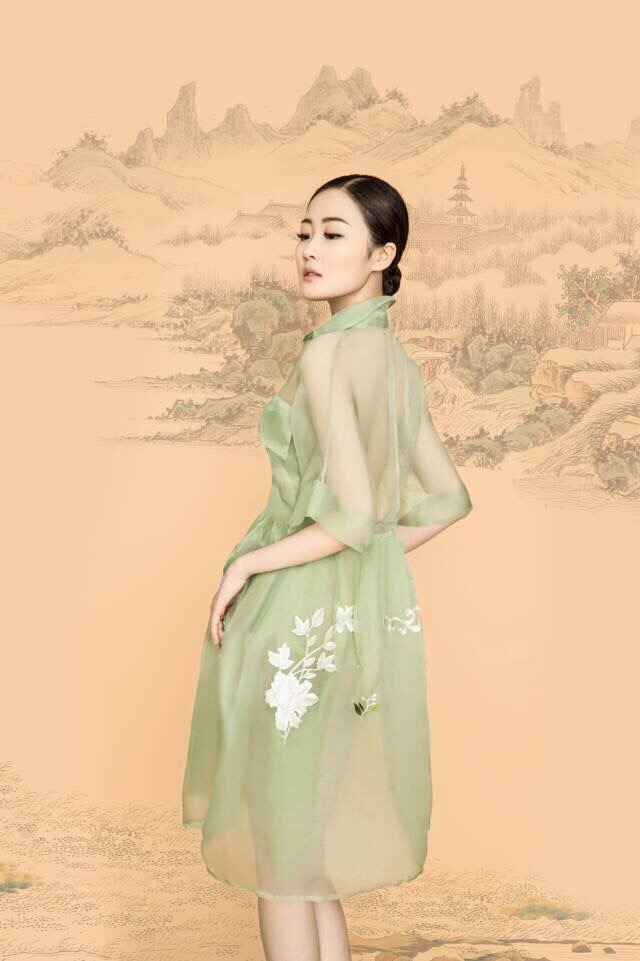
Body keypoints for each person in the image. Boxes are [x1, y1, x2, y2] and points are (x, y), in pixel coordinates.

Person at [182, 174, 474, 961]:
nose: (310, 249)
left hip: (294, 624)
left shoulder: (328, 356)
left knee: (280, 859)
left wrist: (250, 566)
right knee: (306, 854)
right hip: (354, 626)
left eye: (334, 234)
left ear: (383, 253)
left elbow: (346, 514)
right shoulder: (394, 360)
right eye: (305, 232)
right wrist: (369, 563)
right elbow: (446, 500)